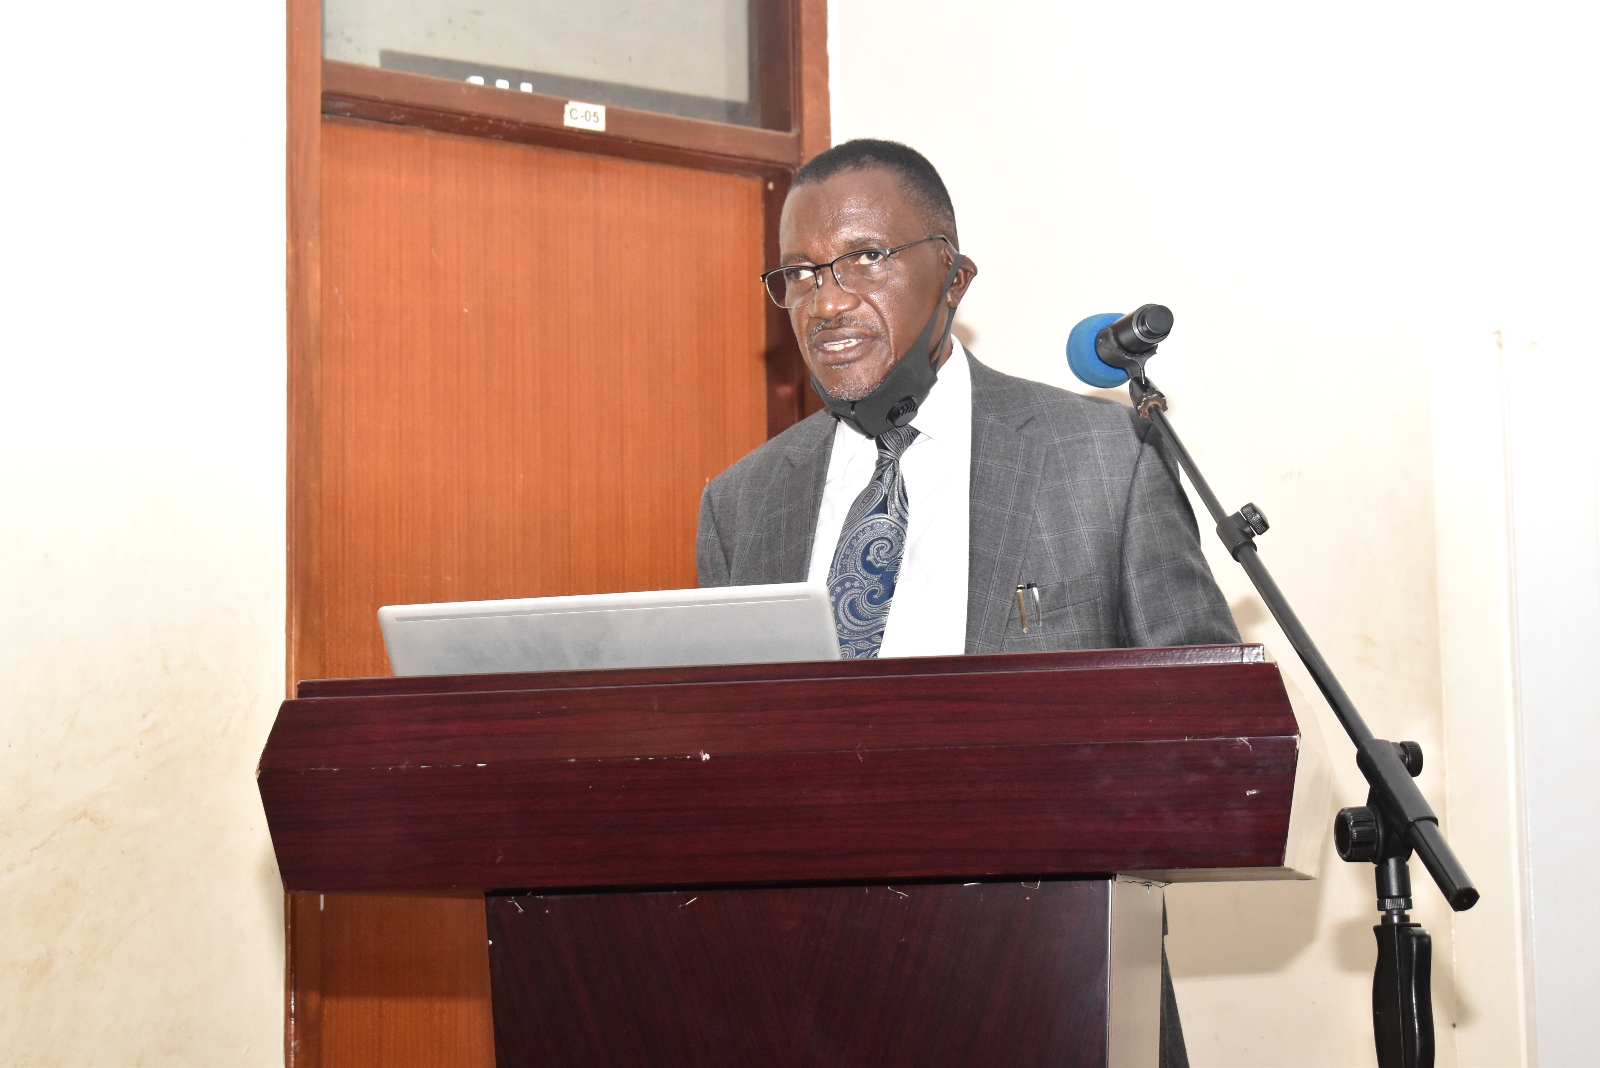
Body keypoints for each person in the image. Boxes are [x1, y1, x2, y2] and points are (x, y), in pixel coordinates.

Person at [696, 137, 1236, 1068]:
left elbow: (1210, 741)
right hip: (803, 995)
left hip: (1052, 985)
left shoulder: (1101, 459)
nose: (827, 301)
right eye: (800, 273)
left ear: (955, 276)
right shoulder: (744, 501)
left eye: (866, 258)